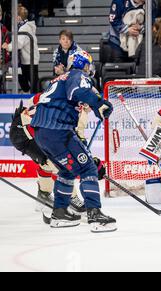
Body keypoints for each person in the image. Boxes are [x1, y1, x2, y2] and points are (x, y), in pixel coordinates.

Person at [30, 50, 116, 233]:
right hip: (58, 130)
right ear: (84, 64)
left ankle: (59, 213)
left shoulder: (60, 78)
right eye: (88, 65)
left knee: (67, 170)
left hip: (41, 132)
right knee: (88, 168)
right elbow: (78, 91)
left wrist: (95, 106)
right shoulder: (78, 75)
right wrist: (99, 103)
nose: (89, 69)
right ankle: (95, 214)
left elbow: (73, 96)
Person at [9, 96, 98, 214]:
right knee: (59, 162)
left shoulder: (78, 109)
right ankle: (71, 198)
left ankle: (43, 194)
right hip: (23, 132)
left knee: (47, 162)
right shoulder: (70, 106)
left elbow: (78, 138)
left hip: (34, 130)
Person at [1, 6, 40, 93]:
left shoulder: (24, 27)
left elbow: (19, 43)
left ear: (18, 17)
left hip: (29, 59)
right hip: (27, 59)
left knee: (32, 80)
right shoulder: (22, 26)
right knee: (25, 77)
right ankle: (30, 92)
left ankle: (35, 96)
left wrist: (8, 46)